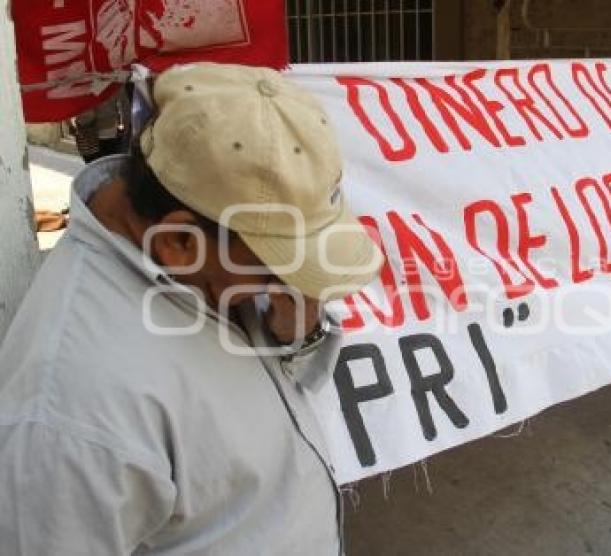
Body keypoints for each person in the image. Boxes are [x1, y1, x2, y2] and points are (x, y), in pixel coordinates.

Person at [0, 63, 383, 554]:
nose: (284, 284)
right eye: (273, 266)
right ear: (179, 241)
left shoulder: (207, 261)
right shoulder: (73, 412)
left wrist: (296, 326)